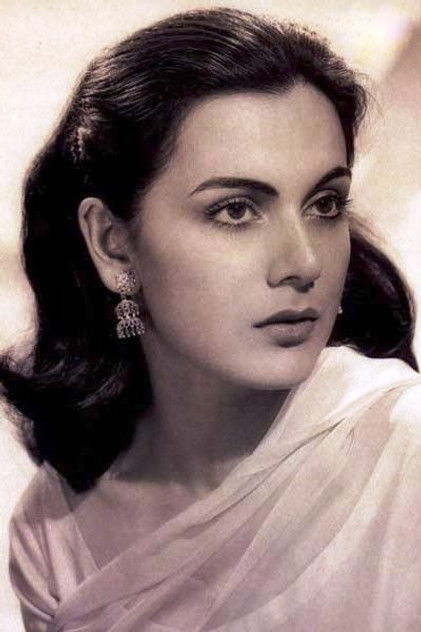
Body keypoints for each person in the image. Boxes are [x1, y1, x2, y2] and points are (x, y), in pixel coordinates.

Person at [2, 7, 421, 631]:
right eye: (235, 211)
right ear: (113, 244)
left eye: (324, 204)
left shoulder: (407, 452)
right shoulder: (53, 533)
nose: (304, 262)